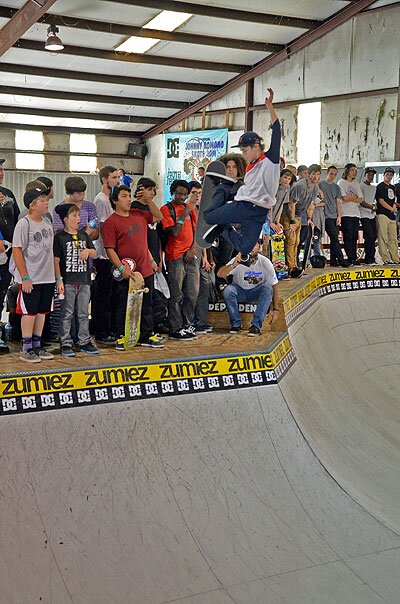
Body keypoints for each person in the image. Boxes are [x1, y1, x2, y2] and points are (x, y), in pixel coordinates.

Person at [203, 88, 281, 258]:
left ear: (256, 147)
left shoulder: (271, 160)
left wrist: (270, 106)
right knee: (208, 217)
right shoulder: (249, 166)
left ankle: (223, 228)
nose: (243, 153)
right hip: (243, 206)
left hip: (260, 212)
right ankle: (224, 188)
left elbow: (277, 131)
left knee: (246, 248)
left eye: (245, 150)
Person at [102, 183, 163, 349]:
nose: (128, 200)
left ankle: (146, 334)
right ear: (115, 200)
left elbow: (158, 216)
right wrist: (122, 269)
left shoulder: (139, 214)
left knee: (147, 303)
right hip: (126, 270)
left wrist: (148, 200)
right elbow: (110, 249)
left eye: (129, 196)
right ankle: (122, 335)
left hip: (145, 269)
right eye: (124, 196)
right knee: (123, 303)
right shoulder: (110, 222)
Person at [10, 185, 55, 363]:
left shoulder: (47, 223)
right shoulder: (24, 223)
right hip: (31, 276)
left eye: (46, 199)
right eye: (42, 201)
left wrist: (56, 277)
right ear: (32, 205)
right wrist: (25, 277)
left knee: (42, 311)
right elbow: (17, 250)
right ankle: (26, 347)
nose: (46, 203)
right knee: (29, 312)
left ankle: (37, 344)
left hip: (47, 276)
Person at [54, 204, 99, 357]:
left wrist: (88, 251)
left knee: (83, 312)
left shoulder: (84, 236)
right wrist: (58, 279)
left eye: (78, 216)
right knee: (67, 311)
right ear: (65, 219)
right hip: (68, 280)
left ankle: (84, 340)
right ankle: (65, 341)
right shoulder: (59, 237)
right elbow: (56, 259)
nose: (78, 219)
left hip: (84, 279)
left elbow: (95, 253)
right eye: (74, 216)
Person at [161, 179, 199, 340]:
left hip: (190, 255)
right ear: (172, 193)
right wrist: (183, 215)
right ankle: (175, 327)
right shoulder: (166, 209)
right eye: (178, 194)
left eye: (184, 194)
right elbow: (174, 232)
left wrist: (193, 249)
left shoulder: (190, 208)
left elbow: (197, 231)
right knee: (176, 294)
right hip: (174, 255)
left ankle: (188, 323)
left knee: (192, 292)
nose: (182, 197)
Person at [217, 242, 280, 336]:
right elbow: (220, 274)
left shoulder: (265, 262)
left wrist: (276, 309)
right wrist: (233, 265)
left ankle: (256, 326)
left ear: (259, 247)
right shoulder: (238, 259)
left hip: (256, 292)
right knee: (228, 290)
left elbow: (274, 285)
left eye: (254, 245)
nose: (251, 248)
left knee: (267, 288)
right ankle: (236, 324)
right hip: (240, 291)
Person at [92, 166, 120, 344]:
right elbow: (102, 227)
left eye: (118, 177)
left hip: (115, 252)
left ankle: (110, 327)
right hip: (104, 253)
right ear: (104, 179)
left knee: (112, 294)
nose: (117, 180)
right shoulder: (101, 200)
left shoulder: (112, 199)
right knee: (102, 294)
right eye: (114, 177)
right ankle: (100, 330)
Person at [282, 164, 321, 272]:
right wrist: (292, 221)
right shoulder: (300, 186)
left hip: (299, 215)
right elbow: (291, 205)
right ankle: (290, 268)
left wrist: (309, 218)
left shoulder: (315, 187)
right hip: (287, 215)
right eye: (313, 174)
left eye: (318, 174)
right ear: (308, 174)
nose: (315, 177)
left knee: (297, 243)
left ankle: (295, 266)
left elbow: (310, 205)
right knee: (291, 241)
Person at [0, 159, 20, 315]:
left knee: (3, 289)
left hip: (9, 250)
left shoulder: (8, 194)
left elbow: (18, 219)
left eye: (2, 170)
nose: (1, 174)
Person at [320, 166, 350, 267]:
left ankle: (333, 260)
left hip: (334, 215)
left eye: (334, 174)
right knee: (334, 238)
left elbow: (338, 202)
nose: (333, 176)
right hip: (325, 215)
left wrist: (339, 216)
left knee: (334, 238)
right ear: (327, 173)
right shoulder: (320, 185)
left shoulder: (336, 187)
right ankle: (341, 260)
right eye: (331, 173)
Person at [338, 163, 363, 266]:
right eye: (352, 170)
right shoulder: (342, 182)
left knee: (354, 237)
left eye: (355, 170)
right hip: (346, 213)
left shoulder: (356, 183)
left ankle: (354, 257)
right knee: (348, 236)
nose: (354, 172)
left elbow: (361, 199)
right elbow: (344, 197)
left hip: (355, 214)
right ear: (347, 171)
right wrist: (354, 197)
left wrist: (352, 197)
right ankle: (349, 257)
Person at [375, 167, 399, 264]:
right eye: (387, 174)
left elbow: (394, 200)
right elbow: (380, 201)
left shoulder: (393, 187)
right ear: (384, 175)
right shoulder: (380, 186)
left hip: (392, 216)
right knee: (383, 237)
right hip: (382, 214)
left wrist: (393, 207)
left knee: (393, 238)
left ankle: (395, 257)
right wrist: (391, 208)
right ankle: (385, 257)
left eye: (391, 175)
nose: (389, 176)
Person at [359, 168, 378, 265]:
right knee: (369, 235)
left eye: (372, 175)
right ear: (365, 175)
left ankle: (372, 257)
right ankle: (368, 258)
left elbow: (375, 200)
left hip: (372, 215)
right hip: (363, 214)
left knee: (374, 236)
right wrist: (372, 206)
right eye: (369, 175)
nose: (371, 177)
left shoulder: (374, 188)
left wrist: (374, 207)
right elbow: (361, 202)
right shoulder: (360, 186)